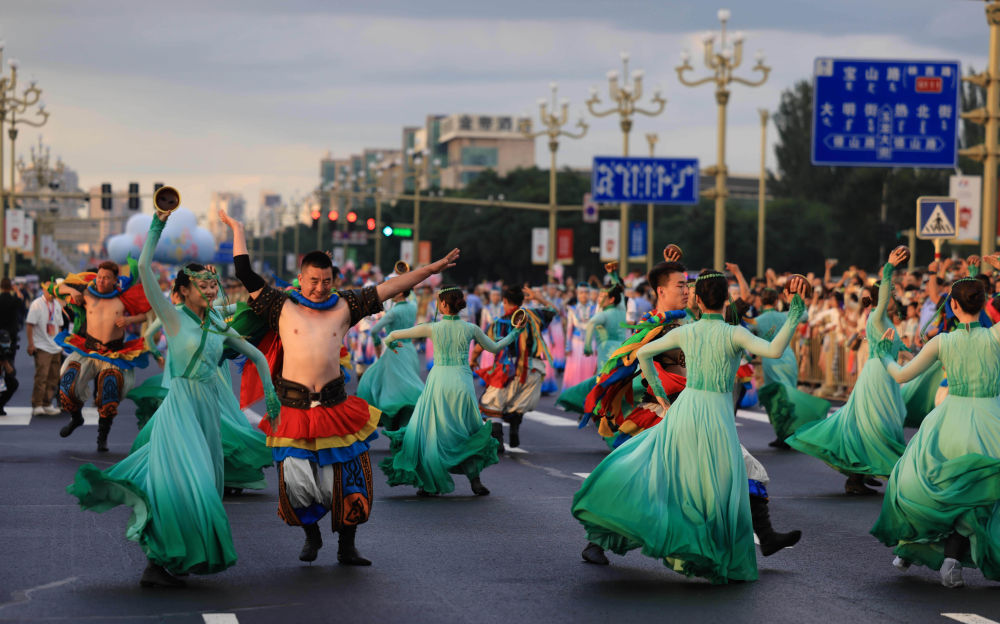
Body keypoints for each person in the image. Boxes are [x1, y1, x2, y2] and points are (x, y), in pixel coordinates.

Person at [221, 207, 459, 566]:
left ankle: (347, 546)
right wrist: (237, 228)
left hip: (335, 407)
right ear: (300, 279)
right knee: (297, 485)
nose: (320, 288)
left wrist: (431, 269)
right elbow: (244, 271)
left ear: (334, 279)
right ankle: (312, 535)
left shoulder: (347, 305)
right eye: (313, 281)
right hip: (294, 410)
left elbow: (393, 286)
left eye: (326, 281)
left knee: (349, 481)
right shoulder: (280, 306)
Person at [67, 193, 280, 588]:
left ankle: (175, 560)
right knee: (186, 484)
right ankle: (157, 559)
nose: (212, 288)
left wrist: (270, 394)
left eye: (213, 282)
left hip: (209, 412)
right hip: (180, 409)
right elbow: (145, 266)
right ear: (183, 291)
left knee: (210, 485)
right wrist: (159, 221)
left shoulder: (218, 323)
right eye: (203, 284)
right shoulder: (173, 316)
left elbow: (256, 355)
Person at [571, 271, 809, 583]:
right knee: (714, 483)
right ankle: (729, 547)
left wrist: (659, 392)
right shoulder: (727, 332)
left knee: (657, 476)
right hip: (714, 418)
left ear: (697, 298)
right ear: (725, 300)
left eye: (688, 287)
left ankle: (762, 537)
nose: (685, 291)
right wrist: (794, 313)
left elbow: (642, 354)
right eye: (679, 284)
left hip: (684, 411)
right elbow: (774, 350)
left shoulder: (687, 329)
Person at [871, 254, 1000, 588]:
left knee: (925, 486)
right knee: (979, 494)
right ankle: (951, 559)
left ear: (953, 307)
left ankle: (912, 549)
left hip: (950, 422)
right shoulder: (996, 336)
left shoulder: (942, 341)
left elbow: (901, 375)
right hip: (991, 421)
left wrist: (883, 354)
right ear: (984, 303)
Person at [786, 247, 909, 495]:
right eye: (892, 296)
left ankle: (859, 475)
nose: (896, 300)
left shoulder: (888, 324)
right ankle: (870, 475)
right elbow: (883, 296)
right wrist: (889, 268)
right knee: (875, 427)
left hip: (888, 379)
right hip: (877, 378)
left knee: (869, 427)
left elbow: (906, 352)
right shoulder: (876, 316)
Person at [379, 287, 523, 496]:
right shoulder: (471, 328)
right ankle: (475, 481)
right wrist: (515, 332)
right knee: (466, 430)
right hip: (462, 384)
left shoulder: (432, 328)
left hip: (439, 383)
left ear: (444, 305)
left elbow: (392, 334)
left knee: (431, 432)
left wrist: (390, 344)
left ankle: (430, 483)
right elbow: (494, 348)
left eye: (439, 301)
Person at [55, 260, 153, 451]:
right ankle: (76, 418)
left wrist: (129, 319)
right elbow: (56, 287)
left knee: (109, 391)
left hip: (113, 353)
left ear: (115, 280)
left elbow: (148, 311)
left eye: (106, 278)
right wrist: (70, 291)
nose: (101, 280)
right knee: (67, 385)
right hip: (88, 350)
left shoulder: (124, 297)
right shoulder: (87, 293)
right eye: (99, 276)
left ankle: (103, 436)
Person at [475, 284, 557, 450]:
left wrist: (472, 359)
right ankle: (514, 427)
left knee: (491, 405)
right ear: (522, 300)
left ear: (504, 301)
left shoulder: (498, 323)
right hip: (534, 370)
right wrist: (537, 297)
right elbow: (553, 310)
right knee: (516, 406)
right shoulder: (534, 315)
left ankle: (498, 441)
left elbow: (480, 345)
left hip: (507, 371)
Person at [751, 286, 830, 448]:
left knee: (776, 400)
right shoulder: (784, 316)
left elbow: (746, 330)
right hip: (788, 357)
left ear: (761, 301)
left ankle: (782, 435)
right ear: (776, 301)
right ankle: (791, 434)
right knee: (790, 396)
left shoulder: (757, 321)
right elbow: (805, 315)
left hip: (770, 359)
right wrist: (795, 301)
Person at [357, 283, 423, 431]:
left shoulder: (394, 313)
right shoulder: (413, 307)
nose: (392, 292)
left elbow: (374, 330)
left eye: (395, 290)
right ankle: (405, 423)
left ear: (400, 293)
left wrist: (377, 347)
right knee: (405, 386)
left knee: (390, 390)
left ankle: (392, 421)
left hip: (395, 351)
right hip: (410, 351)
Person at [25, 282, 64, 416]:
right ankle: (37, 404)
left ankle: (47, 403)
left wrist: (60, 344)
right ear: (43, 289)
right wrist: (31, 344)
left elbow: (59, 325)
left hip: (55, 346)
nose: (51, 292)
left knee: (53, 377)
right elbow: (29, 325)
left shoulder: (57, 304)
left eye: (53, 290)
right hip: (41, 346)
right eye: (48, 289)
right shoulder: (37, 304)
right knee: (41, 377)